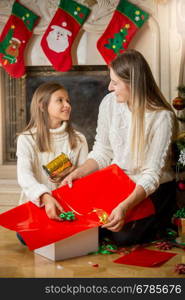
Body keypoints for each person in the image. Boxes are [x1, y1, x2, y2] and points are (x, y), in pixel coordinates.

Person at [61, 49, 178, 246]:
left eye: (115, 82)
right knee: (82, 221)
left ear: (133, 83)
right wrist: (79, 172)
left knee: (122, 236)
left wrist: (124, 207)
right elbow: (102, 151)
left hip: (148, 188)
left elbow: (151, 175)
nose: (109, 87)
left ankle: (156, 219)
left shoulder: (162, 117)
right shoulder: (109, 103)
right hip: (115, 180)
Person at [16, 82, 88, 222]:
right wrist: (44, 195)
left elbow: (85, 180)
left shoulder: (79, 140)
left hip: (68, 208)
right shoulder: (26, 139)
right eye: (60, 100)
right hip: (36, 207)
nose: (67, 105)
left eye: (68, 101)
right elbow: (24, 176)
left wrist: (74, 173)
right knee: (24, 237)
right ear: (42, 105)